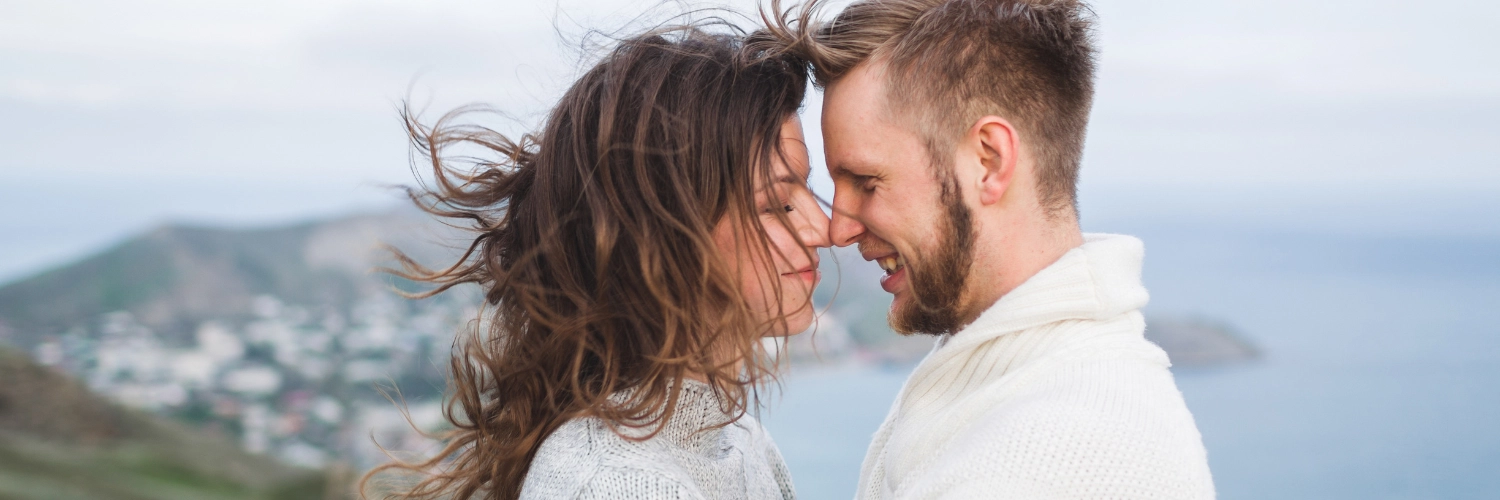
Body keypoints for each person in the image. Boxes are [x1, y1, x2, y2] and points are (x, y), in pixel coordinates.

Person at [753, 0, 1216, 498]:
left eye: (866, 182)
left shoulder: (1051, 457)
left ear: (989, 161)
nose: (836, 230)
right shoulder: (1005, 381)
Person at [360, 25, 828, 500]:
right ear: (662, 238)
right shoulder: (615, 485)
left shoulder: (741, 444)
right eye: (776, 205)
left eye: (807, 191)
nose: (823, 229)